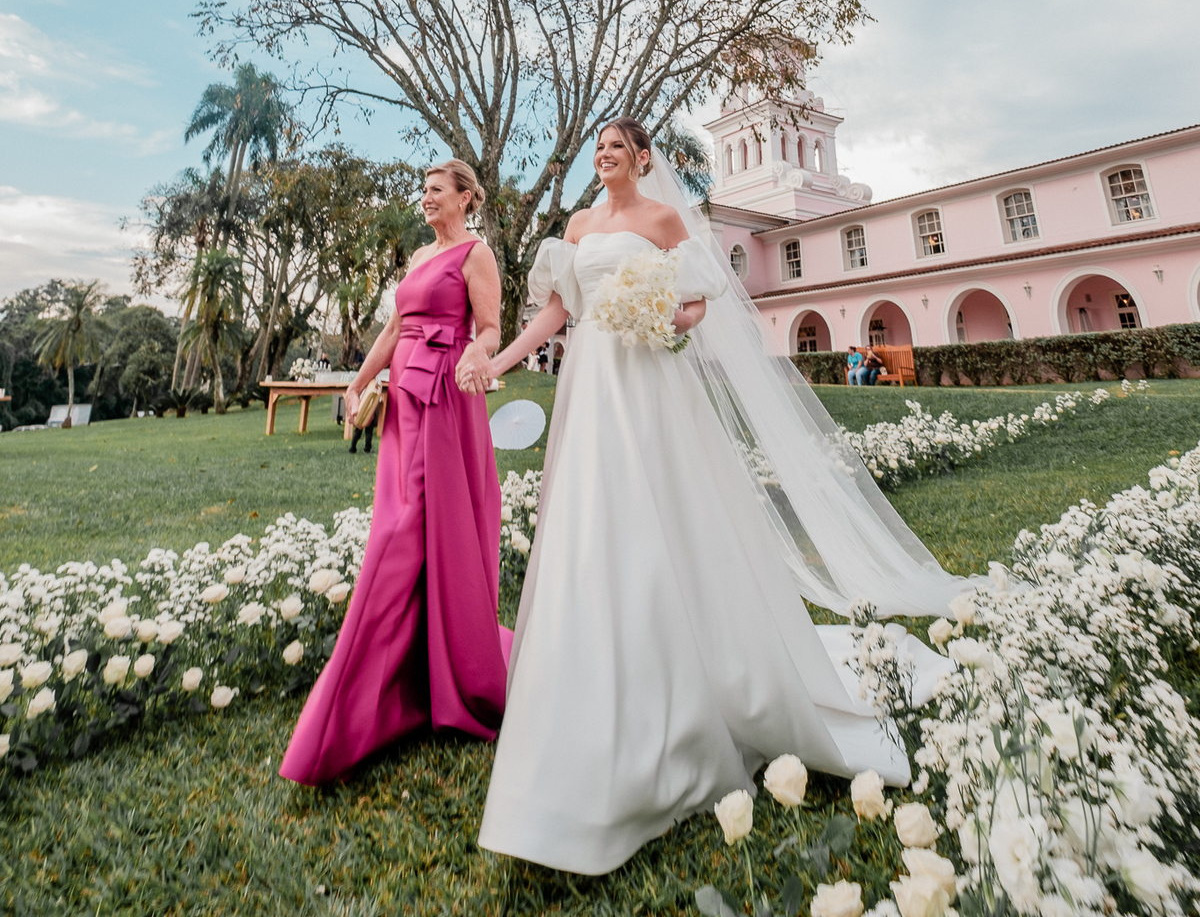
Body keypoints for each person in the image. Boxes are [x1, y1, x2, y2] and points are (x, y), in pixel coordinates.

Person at [457, 120, 965, 876]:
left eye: (617, 150)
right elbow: (557, 313)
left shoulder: (664, 222)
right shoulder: (578, 226)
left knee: (663, 523)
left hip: (651, 386)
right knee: (591, 525)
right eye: (598, 151)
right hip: (592, 387)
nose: (605, 159)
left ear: (643, 160)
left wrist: (665, 315)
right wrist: (497, 358)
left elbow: (696, 306)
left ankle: (691, 689)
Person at [279, 159, 509, 785]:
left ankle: (363, 700)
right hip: (404, 400)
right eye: (425, 191)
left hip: (446, 398)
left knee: (409, 531)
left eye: (438, 191)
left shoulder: (475, 254)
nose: (427, 198)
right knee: (403, 522)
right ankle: (409, 681)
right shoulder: (416, 256)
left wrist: (474, 356)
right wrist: (357, 383)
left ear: (466, 198)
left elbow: (489, 328)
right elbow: (394, 326)